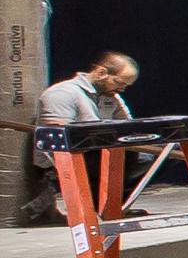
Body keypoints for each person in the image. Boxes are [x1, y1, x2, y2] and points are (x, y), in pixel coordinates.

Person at [23, 50, 135, 226]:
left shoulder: (111, 97)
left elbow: (130, 128)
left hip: (99, 152)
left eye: (126, 85)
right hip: (67, 158)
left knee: (163, 152)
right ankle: (100, 204)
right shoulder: (63, 93)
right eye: (120, 82)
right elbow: (57, 139)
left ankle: (110, 203)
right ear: (101, 72)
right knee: (112, 155)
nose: (122, 89)